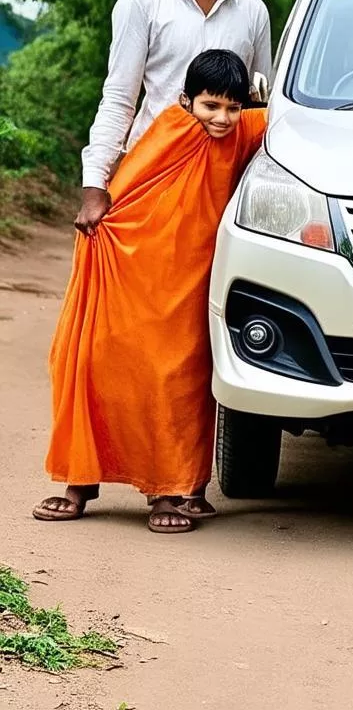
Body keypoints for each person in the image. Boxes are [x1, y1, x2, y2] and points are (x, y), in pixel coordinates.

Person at [34, 50, 267, 534]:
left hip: (193, 280)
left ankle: (169, 489)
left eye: (232, 107)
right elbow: (131, 189)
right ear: (186, 101)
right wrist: (100, 215)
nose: (221, 118)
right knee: (94, 361)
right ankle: (80, 481)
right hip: (138, 268)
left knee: (176, 377)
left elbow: (290, 118)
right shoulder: (171, 129)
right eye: (210, 106)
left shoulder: (246, 130)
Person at [77, 0, 271, 237]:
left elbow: (258, 107)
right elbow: (119, 99)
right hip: (152, 174)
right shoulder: (140, 3)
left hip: (224, 188)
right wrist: (94, 184)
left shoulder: (253, 10)